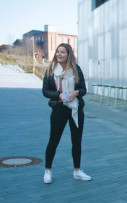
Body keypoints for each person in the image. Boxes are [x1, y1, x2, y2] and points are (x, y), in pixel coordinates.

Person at [42, 43, 91, 184]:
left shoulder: (76, 69)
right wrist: (59, 95)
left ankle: (77, 171)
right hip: (59, 109)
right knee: (53, 140)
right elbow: (45, 91)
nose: (59, 54)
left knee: (76, 141)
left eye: (63, 52)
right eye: (58, 52)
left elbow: (83, 89)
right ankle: (47, 171)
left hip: (75, 109)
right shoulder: (51, 70)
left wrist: (76, 92)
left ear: (68, 54)